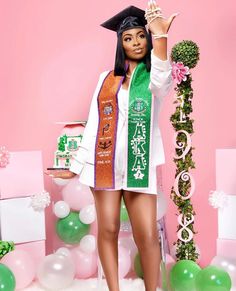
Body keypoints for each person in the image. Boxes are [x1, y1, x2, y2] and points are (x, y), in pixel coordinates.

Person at [50, 2, 177, 290]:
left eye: (140, 36)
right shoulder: (106, 80)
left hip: (138, 164)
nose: (135, 42)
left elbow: (163, 77)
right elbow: (94, 124)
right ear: (120, 44)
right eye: (128, 38)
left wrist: (161, 37)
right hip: (104, 165)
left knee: (145, 234)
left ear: (147, 38)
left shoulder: (153, 79)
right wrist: (75, 167)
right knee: (107, 229)